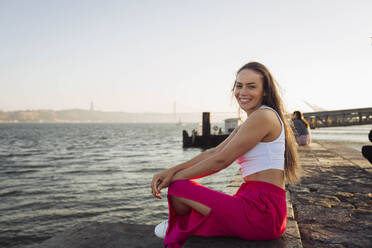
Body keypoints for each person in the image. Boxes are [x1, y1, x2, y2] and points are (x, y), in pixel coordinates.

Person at [151, 62, 301, 248]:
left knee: (178, 188)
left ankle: (181, 224)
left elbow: (221, 160)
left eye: (251, 86)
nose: (242, 92)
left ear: (265, 91)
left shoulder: (264, 117)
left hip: (262, 213)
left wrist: (174, 180)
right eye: (239, 86)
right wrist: (171, 172)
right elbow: (214, 152)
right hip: (255, 204)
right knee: (178, 184)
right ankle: (184, 224)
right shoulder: (252, 120)